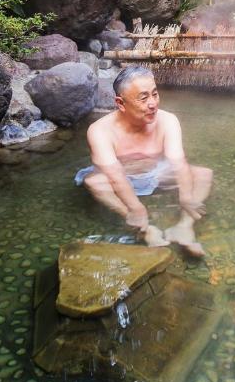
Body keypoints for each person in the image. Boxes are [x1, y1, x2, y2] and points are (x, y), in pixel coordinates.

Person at [75, 66, 213, 255]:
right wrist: (135, 207)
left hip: (157, 172)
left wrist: (186, 197)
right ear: (121, 103)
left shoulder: (167, 120)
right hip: (121, 177)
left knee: (203, 175)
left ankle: (183, 227)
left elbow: (178, 162)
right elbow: (114, 174)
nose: (153, 103)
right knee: (94, 182)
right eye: (143, 97)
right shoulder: (100, 130)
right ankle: (147, 230)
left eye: (155, 95)